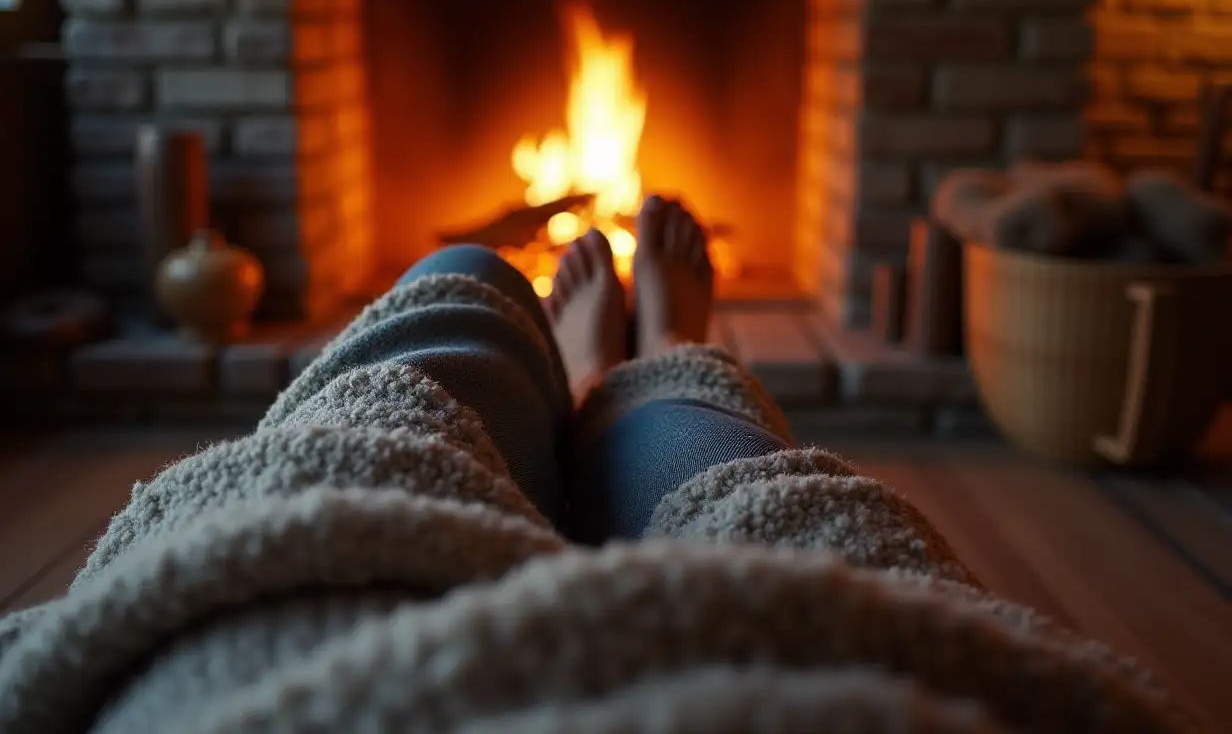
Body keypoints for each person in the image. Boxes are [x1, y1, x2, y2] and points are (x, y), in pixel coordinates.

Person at [0, 196, 1182, 732]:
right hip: (845, 669)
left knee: (453, 287)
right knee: (756, 503)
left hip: (265, 668)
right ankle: (658, 361)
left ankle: (588, 373)